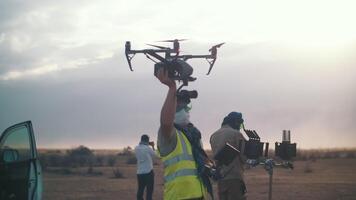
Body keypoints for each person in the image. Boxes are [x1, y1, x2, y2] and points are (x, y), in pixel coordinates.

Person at [155, 68, 212, 200]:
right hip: (179, 196)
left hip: (199, 195)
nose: (185, 110)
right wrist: (172, 88)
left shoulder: (193, 134)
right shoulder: (168, 134)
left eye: (187, 107)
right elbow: (166, 122)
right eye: (180, 106)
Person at [210, 112, 247, 200]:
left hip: (221, 178)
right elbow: (244, 157)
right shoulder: (236, 134)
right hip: (234, 177)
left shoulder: (213, 135)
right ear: (236, 122)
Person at [134, 134, 157, 200]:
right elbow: (155, 155)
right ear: (147, 140)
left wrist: (147, 143)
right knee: (149, 192)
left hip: (139, 173)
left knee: (140, 190)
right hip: (149, 172)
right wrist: (152, 146)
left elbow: (140, 146)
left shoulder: (136, 148)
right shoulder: (148, 148)